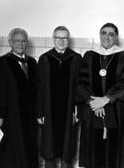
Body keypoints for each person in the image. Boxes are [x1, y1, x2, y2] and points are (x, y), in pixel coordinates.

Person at [77, 23, 124, 168]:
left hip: (116, 111)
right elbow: (81, 83)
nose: (107, 37)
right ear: (100, 35)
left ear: (116, 37)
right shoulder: (89, 55)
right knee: (94, 149)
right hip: (93, 111)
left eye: (111, 34)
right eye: (104, 33)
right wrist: (93, 102)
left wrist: (106, 99)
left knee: (115, 152)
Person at [0, 28, 38, 168]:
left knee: (29, 148)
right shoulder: (1, 62)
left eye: (24, 41)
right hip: (11, 115)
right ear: (10, 42)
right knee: (11, 150)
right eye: (17, 41)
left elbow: (36, 89)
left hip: (29, 116)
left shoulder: (32, 62)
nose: (20, 44)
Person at [37, 26, 82, 168]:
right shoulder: (45, 59)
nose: (61, 41)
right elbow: (40, 88)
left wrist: (78, 110)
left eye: (64, 38)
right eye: (58, 38)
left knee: (66, 150)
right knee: (49, 148)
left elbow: (80, 87)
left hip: (69, 111)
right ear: (53, 39)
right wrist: (40, 111)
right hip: (49, 111)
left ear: (68, 40)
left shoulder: (76, 59)